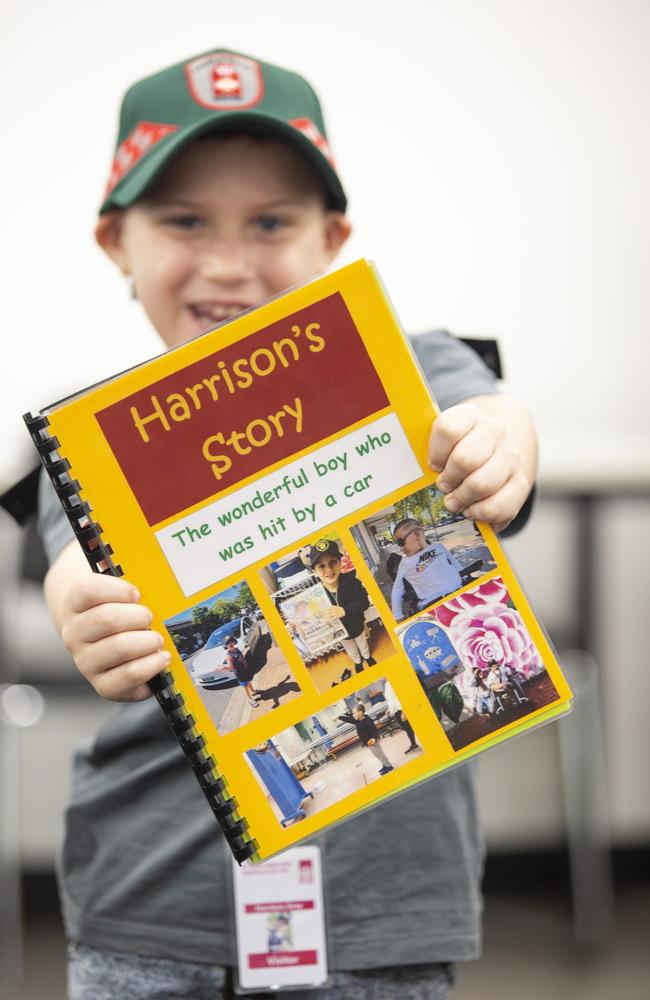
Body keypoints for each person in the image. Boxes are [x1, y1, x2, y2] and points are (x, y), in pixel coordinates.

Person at [38, 47, 537, 1000]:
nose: (228, 262)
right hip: (150, 907)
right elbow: (72, 555)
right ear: (116, 243)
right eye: (185, 221)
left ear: (331, 236)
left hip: (378, 910)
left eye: (271, 222)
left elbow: (493, 417)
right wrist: (87, 614)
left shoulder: (409, 370)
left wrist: (497, 446)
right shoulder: (91, 434)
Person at [309, 539, 376, 674]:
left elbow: (364, 602)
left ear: (340, 563)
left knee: (362, 643)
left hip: (357, 625)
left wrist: (345, 611)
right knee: (350, 649)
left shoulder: (352, 582)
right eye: (321, 566)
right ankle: (357, 662)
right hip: (340, 634)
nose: (328, 569)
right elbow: (314, 616)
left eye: (332, 562)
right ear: (314, 571)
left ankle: (367, 657)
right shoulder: (315, 596)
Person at [390, 519, 464, 620]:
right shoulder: (405, 563)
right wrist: (398, 616)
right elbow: (397, 588)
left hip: (459, 592)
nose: (401, 547)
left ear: (417, 535)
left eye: (401, 542)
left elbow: (454, 563)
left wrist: (464, 576)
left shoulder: (438, 547)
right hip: (433, 604)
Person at [337, 704, 394, 775]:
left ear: (360, 713)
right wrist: (339, 717)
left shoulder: (368, 721)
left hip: (373, 741)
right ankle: (384, 765)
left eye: (354, 713)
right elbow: (348, 719)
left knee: (380, 754)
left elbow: (374, 730)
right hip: (367, 742)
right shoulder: (357, 720)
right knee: (376, 754)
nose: (353, 715)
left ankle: (389, 766)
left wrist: (374, 738)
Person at [379, 682, 421, 753]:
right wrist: (390, 709)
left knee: (409, 728)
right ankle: (414, 745)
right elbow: (392, 699)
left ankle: (415, 745)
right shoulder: (386, 684)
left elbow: (401, 696)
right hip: (396, 710)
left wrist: (403, 711)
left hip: (400, 710)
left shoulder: (392, 682)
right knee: (406, 728)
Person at [223, 635, 259, 707]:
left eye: (232, 642)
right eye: (228, 643)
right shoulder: (229, 656)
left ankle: (254, 692)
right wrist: (223, 668)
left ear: (234, 642)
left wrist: (246, 650)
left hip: (245, 670)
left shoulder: (237, 650)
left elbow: (241, 656)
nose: (231, 644)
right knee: (245, 686)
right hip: (240, 674)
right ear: (226, 646)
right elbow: (230, 667)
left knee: (248, 682)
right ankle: (250, 699)